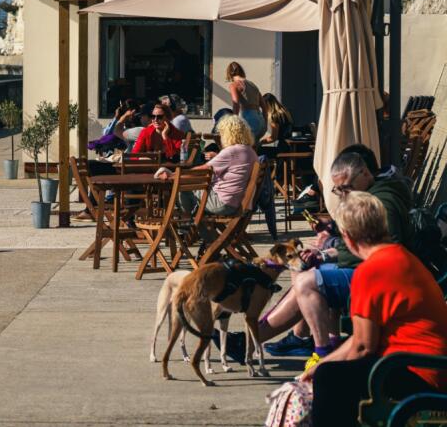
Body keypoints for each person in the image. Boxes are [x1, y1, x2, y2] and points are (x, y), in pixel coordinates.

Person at [231, 144, 413, 362]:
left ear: (365, 173)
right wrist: (332, 236)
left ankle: (319, 350)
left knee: (308, 282)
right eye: (339, 190)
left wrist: (328, 250)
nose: (344, 195)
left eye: (346, 187)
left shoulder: (382, 202)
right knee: (306, 269)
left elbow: (384, 249)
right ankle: (273, 338)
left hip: (380, 279)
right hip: (372, 271)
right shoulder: (374, 193)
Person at [303, 191, 447, 425]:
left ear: (348, 237)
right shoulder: (402, 256)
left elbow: (363, 347)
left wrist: (324, 370)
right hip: (427, 367)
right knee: (329, 372)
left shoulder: (370, 271)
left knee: (330, 379)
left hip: (418, 373)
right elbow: (361, 339)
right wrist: (323, 363)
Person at [167, 114, 257, 217]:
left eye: (221, 133)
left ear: (228, 133)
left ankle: (186, 220)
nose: (220, 136)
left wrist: (174, 175)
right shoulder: (250, 151)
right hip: (238, 203)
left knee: (185, 188)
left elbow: (204, 170)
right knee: (195, 187)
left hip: (222, 203)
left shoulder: (231, 151)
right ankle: (195, 220)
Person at [225, 61, 267, 140]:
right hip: (260, 119)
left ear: (229, 74)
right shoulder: (253, 85)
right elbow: (264, 106)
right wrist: (265, 123)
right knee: (254, 146)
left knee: (242, 144)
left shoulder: (234, 85)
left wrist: (233, 122)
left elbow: (236, 104)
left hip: (248, 119)